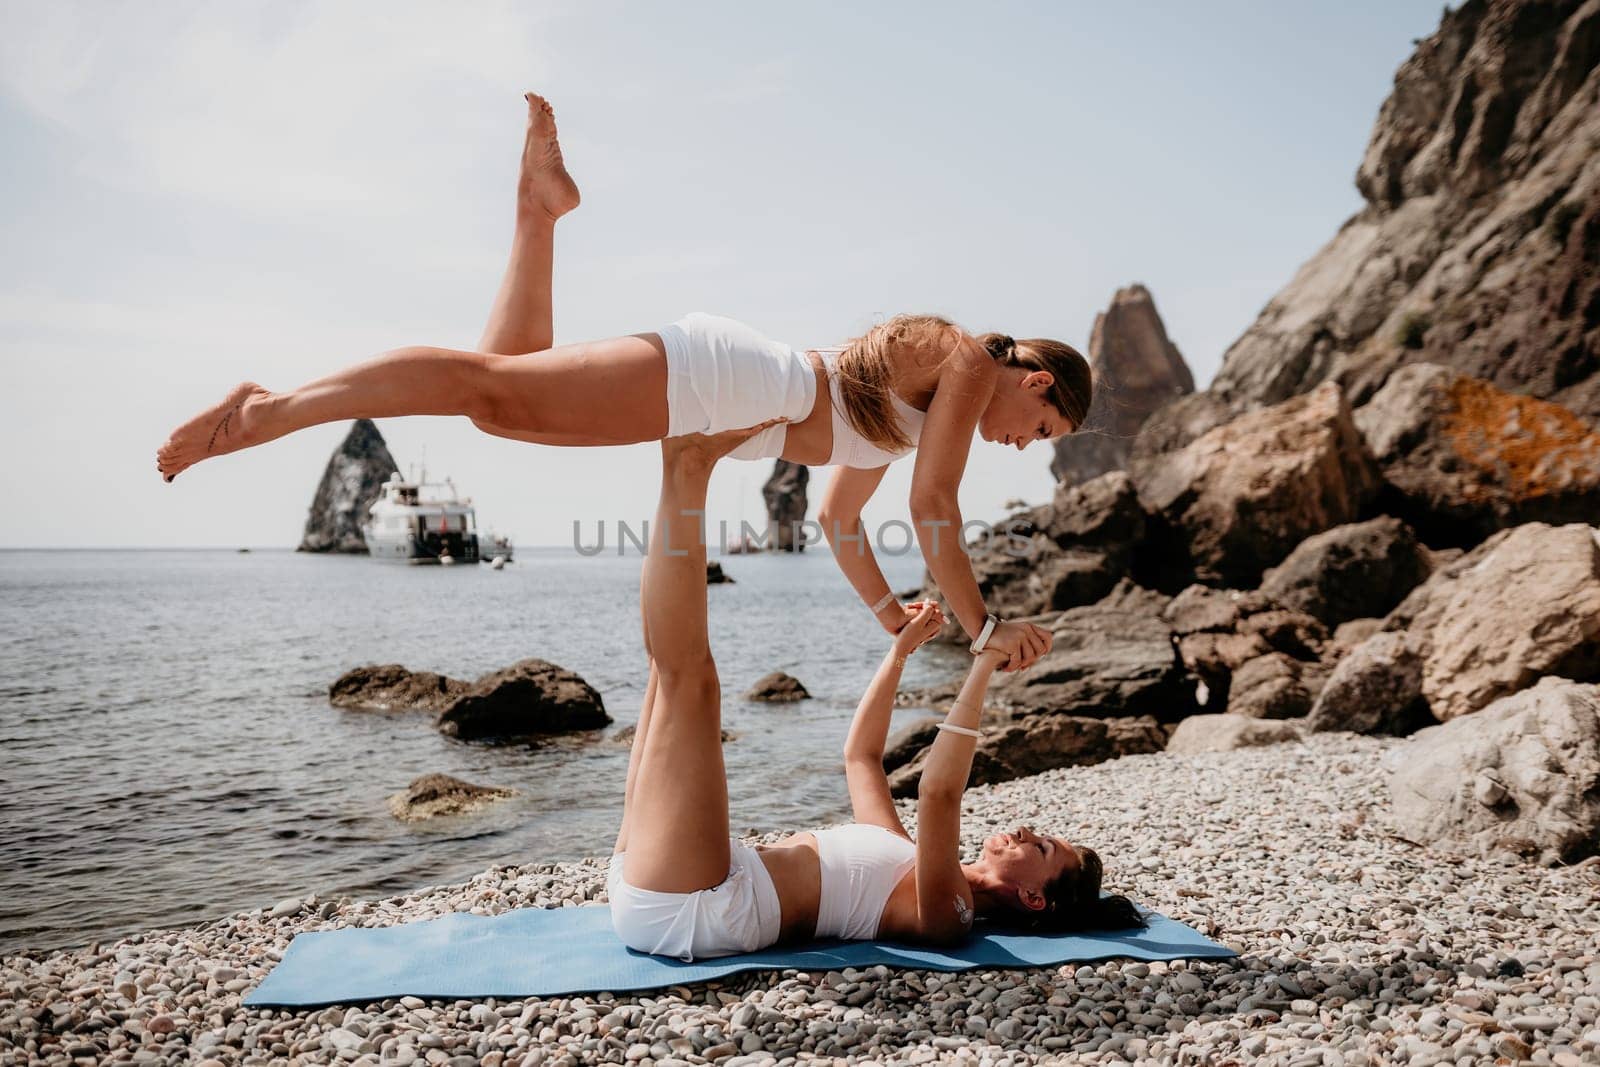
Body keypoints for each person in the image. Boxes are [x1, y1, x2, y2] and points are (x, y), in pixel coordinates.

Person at [155, 94, 1088, 670]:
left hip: (739, 398)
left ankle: (538, 209)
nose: (1019, 447)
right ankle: (273, 409)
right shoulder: (968, 358)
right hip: (734, 379)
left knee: (501, 401)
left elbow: (844, 521)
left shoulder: (912, 418)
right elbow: (936, 506)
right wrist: (983, 625)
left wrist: (895, 617)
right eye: (1038, 431)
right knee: (489, 390)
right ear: (1036, 381)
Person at [606, 422, 1142, 961]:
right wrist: (899, 654)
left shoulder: (949, 913)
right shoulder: (903, 853)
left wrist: (984, 662)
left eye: (1043, 847)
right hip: (668, 878)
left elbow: (938, 795)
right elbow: (860, 757)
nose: (1027, 830)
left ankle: (688, 460)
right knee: (664, 667)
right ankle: (682, 458)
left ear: (1032, 898)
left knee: (691, 678)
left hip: (699, 906)